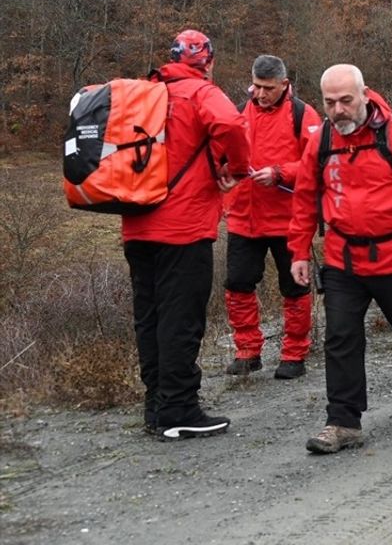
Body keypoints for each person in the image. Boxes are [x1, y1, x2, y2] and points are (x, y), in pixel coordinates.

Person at [289, 64, 392, 453]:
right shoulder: (322, 140)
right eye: (330, 102)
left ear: (364, 95)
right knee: (340, 337)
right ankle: (343, 421)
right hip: (343, 258)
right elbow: (303, 199)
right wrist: (298, 252)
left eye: (346, 101)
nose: (338, 110)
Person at [125, 29, 250, 440]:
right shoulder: (200, 92)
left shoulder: (145, 92)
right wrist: (236, 168)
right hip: (183, 225)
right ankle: (179, 408)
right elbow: (232, 124)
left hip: (137, 224)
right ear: (208, 61)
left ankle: (156, 405)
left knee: (150, 317)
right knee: (181, 318)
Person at [222, 55, 322, 380]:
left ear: (284, 84)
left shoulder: (303, 114)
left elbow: (316, 162)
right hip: (243, 217)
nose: (260, 94)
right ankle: (247, 352)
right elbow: (221, 154)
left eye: (267, 88)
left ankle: (294, 354)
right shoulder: (238, 112)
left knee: (294, 287)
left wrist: (281, 173)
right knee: (237, 284)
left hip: (287, 219)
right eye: (256, 86)